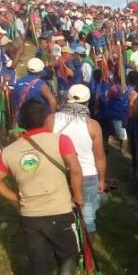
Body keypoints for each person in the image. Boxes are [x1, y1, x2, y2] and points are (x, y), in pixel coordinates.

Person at [0, 99, 84, 275]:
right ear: (47, 119)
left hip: (30, 214)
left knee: (39, 265)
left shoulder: (10, 151)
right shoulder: (61, 141)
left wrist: (16, 198)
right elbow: (76, 170)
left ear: (22, 122)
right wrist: (78, 198)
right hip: (59, 209)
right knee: (69, 255)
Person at [47, 84, 107, 238]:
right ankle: (88, 253)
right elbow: (99, 157)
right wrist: (101, 180)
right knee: (88, 218)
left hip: (59, 172)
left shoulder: (51, 120)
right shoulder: (93, 125)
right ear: (88, 102)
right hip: (87, 174)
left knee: (60, 212)